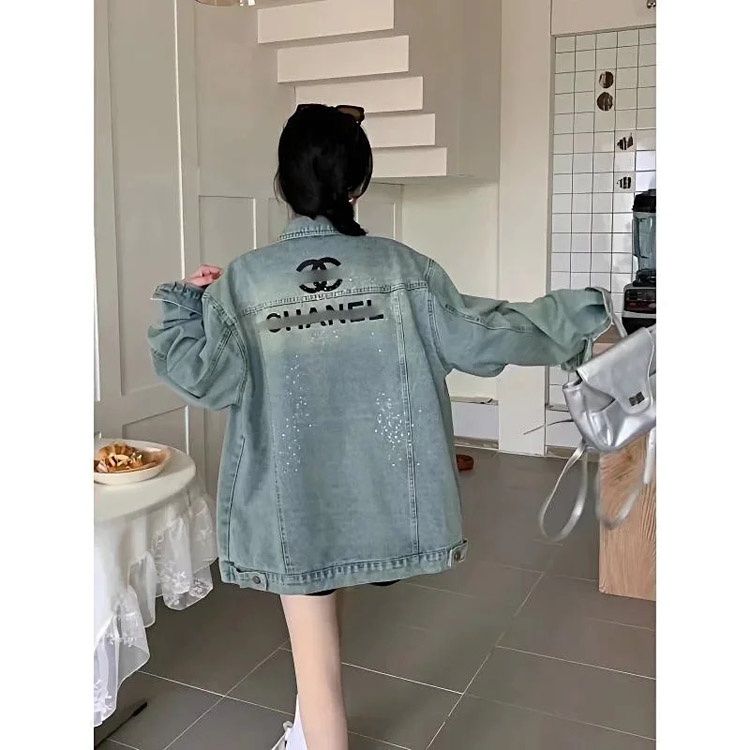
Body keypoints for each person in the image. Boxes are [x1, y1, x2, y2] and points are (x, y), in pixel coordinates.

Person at [148, 103, 612, 750]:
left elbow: (201, 376)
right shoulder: (402, 269)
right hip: (377, 498)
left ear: (283, 184)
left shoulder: (245, 283)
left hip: (292, 505)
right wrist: (580, 315)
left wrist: (184, 303)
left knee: (317, 667)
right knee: (322, 638)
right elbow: (485, 334)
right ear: (357, 185)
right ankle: (306, 732)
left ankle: (315, 735)